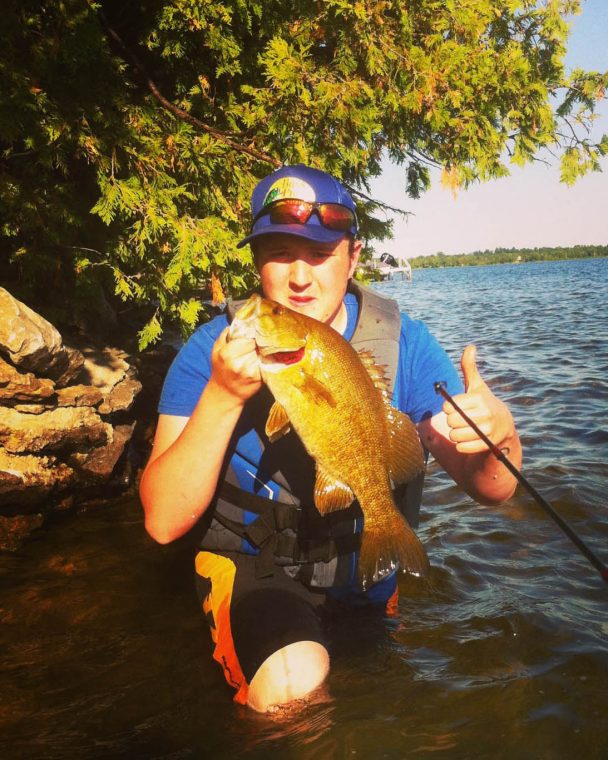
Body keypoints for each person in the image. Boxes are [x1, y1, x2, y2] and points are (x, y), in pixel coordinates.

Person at [140, 164, 522, 712]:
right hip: (259, 566)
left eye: (320, 254)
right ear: (255, 263)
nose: (300, 278)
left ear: (353, 257)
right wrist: (224, 396)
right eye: (279, 253)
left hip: (365, 572)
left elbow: (491, 488)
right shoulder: (211, 352)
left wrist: (497, 440)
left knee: (386, 697)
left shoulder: (404, 345)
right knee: (295, 686)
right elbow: (160, 522)